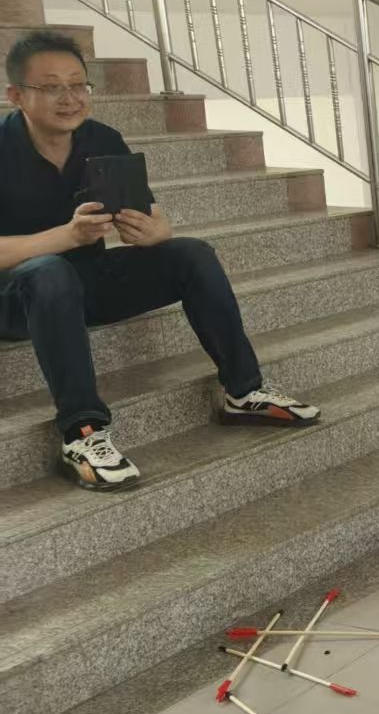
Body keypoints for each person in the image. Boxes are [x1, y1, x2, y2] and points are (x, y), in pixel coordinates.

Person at [0, 31, 320, 491]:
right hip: (16, 298)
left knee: (192, 253)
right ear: (16, 95)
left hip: (83, 284)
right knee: (50, 271)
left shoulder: (102, 138)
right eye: (51, 87)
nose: (69, 98)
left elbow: (153, 214)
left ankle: (244, 390)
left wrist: (155, 231)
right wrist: (66, 237)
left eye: (78, 85)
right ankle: (82, 433)